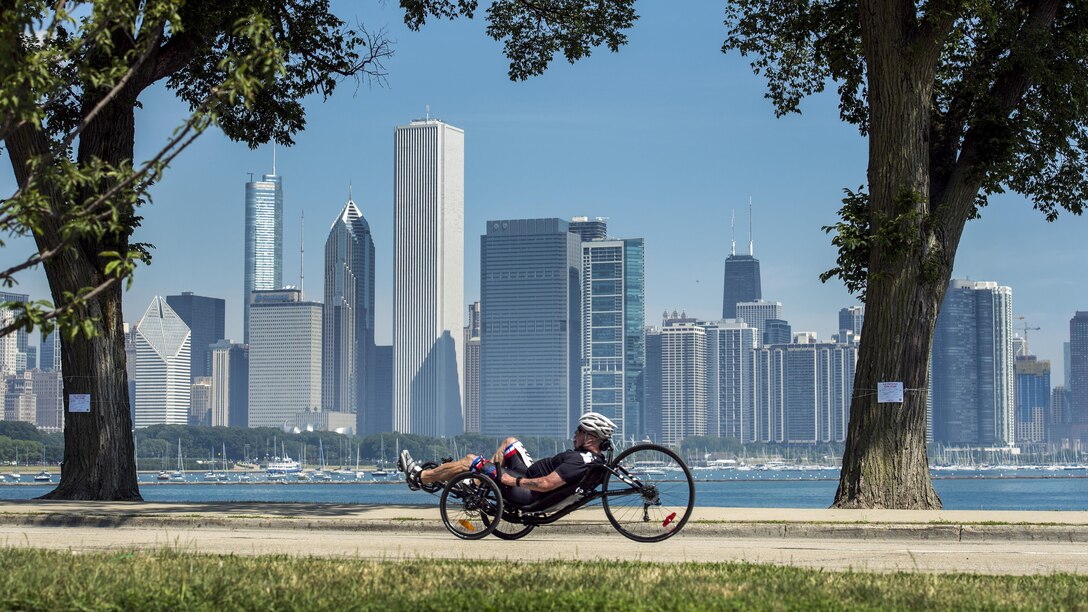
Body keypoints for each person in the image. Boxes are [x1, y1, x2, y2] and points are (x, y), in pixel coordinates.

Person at [397, 412, 616, 505]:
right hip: (528, 472)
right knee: (510, 441)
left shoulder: (578, 461)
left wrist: (513, 481)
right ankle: (476, 483)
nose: (574, 434)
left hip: (524, 489)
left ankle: (419, 477)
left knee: (470, 460)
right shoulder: (592, 459)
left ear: (590, 437)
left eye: (579, 430)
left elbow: (547, 483)